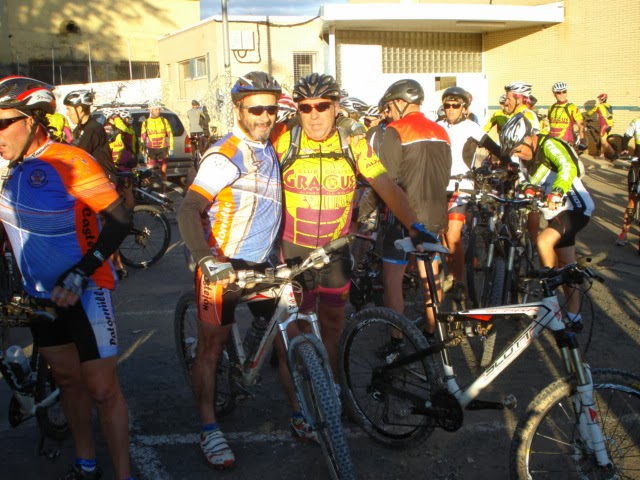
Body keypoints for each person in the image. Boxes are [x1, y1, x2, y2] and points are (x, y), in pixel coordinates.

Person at [0, 76, 133, 480]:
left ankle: (124, 475)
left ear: (32, 120)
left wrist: (81, 272)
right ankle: (86, 462)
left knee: (102, 390)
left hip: (86, 292)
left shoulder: (69, 161)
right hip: (40, 297)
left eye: (3, 123)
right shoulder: (8, 168)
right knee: (69, 383)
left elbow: (120, 219)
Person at [272, 73, 434, 389]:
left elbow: (385, 186)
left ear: (336, 107)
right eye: (306, 107)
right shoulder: (284, 140)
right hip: (292, 251)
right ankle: (300, 402)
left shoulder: (353, 143)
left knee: (333, 324)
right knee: (294, 329)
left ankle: (333, 388)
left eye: (322, 106)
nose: (314, 115)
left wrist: (415, 227)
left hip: (335, 253)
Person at [177, 71, 286, 469]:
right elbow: (189, 208)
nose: (265, 116)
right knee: (211, 348)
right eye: (256, 109)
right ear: (238, 109)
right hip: (222, 264)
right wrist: (205, 258)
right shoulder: (225, 155)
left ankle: (301, 411)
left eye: (271, 109)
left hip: (262, 262)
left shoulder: (270, 145)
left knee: (285, 337)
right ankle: (208, 428)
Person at [500, 113, 594, 331]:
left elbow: (568, 166)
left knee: (543, 242)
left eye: (518, 149)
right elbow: (525, 182)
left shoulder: (548, 144)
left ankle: (550, 297)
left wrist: (557, 191)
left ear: (528, 137)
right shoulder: (522, 156)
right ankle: (574, 317)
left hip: (575, 207)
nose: (517, 155)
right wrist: (528, 189)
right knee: (567, 265)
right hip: (556, 214)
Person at [376, 78, 452, 336]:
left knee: (392, 280)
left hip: (403, 215)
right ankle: (432, 332)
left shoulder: (395, 130)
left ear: (400, 102)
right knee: (430, 276)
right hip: (436, 214)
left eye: (389, 107)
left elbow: (385, 178)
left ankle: (397, 340)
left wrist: (362, 213)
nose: (388, 113)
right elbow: (445, 175)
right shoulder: (441, 131)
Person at [436, 86, 506, 303]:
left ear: (464, 108)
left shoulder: (471, 127)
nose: (450, 109)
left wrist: (510, 165)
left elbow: (496, 148)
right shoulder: (438, 126)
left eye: (455, 105)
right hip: (439, 186)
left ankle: (459, 283)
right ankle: (451, 272)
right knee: (441, 236)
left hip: (462, 186)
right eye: (447, 105)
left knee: (453, 235)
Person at [64, 89, 118, 184]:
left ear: (79, 109)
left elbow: (79, 155)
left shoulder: (92, 129)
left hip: (103, 181)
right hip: (92, 178)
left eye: (68, 109)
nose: (67, 113)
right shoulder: (80, 128)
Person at [615, 116, 640, 250]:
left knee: (632, 200)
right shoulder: (636, 122)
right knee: (632, 200)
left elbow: (626, 138)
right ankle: (624, 232)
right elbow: (625, 138)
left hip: (637, 164)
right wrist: (624, 148)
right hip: (637, 165)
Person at [141, 101, 173, 183]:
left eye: (159, 109)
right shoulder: (146, 122)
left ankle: (164, 188)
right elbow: (142, 138)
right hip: (151, 149)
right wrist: (143, 151)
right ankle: (148, 188)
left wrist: (171, 148)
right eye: (156, 109)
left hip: (163, 148)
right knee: (148, 172)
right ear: (151, 110)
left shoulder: (164, 120)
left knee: (163, 171)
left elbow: (170, 134)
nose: (158, 111)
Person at [547, 81, 586, 148]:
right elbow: (550, 124)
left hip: (566, 143)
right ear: (554, 94)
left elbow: (581, 125)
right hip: (552, 143)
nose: (562, 94)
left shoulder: (572, 107)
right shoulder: (551, 108)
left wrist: (582, 141)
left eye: (564, 92)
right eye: (558, 93)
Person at [586, 93, 615, 159]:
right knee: (602, 140)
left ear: (603, 99)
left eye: (599, 99)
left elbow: (590, 112)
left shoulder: (598, 106)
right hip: (609, 125)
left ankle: (613, 154)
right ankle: (602, 154)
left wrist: (586, 115)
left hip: (604, 125)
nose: (599, 100)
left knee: (603, 141)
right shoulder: (609, 106)